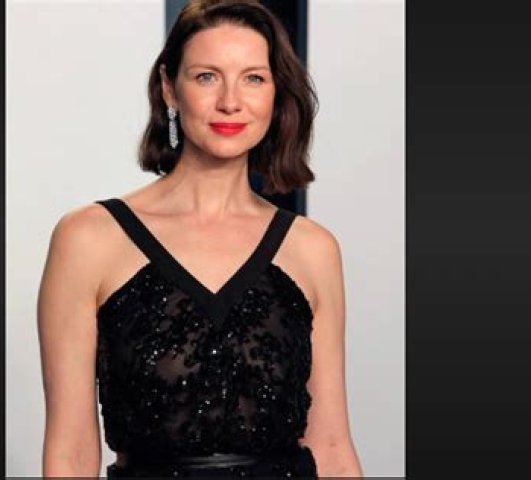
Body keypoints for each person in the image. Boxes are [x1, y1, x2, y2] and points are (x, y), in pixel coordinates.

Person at [38, 0, 363, 477]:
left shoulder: (312, 249)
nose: (231, 101)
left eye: (254, 78)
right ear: (170, 88)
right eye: (207, 76)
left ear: (276, 95)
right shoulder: (88, 238)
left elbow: (331, 445)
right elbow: (69, 453)